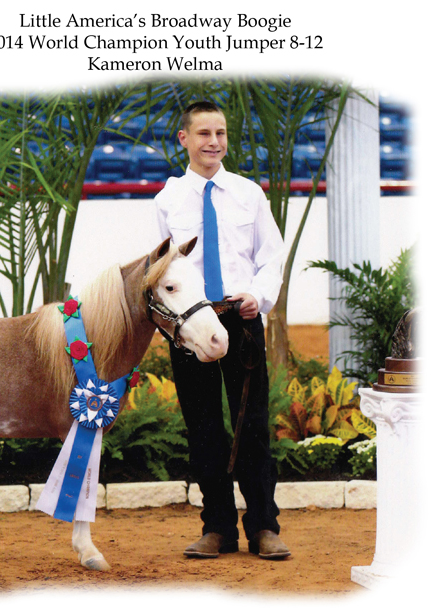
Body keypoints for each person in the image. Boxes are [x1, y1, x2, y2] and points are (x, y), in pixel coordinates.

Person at [153, 100, 290, 560]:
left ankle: (264, 528)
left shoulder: (249, 194)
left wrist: (259, 295)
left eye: (222, 133)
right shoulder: (167, 201)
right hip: (192, 326)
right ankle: (217, 529)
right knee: (204, 428)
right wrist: (172, 324)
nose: (214, 142)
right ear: (184, 139)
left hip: (241, 321)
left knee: (251, 428)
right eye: (205, 133)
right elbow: (155, 272)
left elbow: (272, 255)